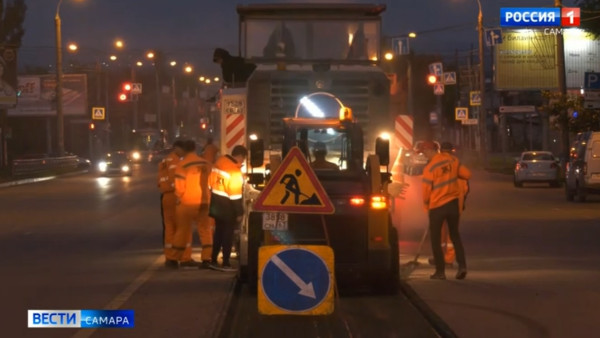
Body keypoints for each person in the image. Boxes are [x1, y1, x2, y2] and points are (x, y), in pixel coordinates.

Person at [421, 141, 471, 280]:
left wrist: (426, 206)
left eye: (424, 152)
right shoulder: (454, 160)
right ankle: (462, 266)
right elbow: (467, 174)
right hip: (453, 204)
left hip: (437, 206)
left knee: (436, 239)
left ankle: (440, 272)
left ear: (431, 151)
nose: (424, 155)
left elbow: (426, 190)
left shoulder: (430, 168)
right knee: (455, 235)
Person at [170, 140, 213, 269]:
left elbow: (180, 187)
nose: (175, 151)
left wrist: (178, 198)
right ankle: (206, 258)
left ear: (183, 149)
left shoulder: (182, 165)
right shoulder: (205, 163)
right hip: (204, 201)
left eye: (176, 149)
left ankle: (176, 258)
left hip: (187, 202)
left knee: (183, 230)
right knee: (205, 229)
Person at [209, 145, 248, 272]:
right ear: (240, 156)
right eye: (243, 159)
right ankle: (225, 263)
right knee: (227, 235)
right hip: (228, 207)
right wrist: (239, 212)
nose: (242, 162)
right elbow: (235, 195)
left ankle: (213, 260)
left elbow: (210, 183)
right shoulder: (234, 171)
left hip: (216, 203)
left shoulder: (219, 162)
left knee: (218, 233)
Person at [157, 140, 185, 269]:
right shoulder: (174, 161)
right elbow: (175, 180)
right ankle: (176, 256)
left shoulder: (165, 160)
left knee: (169, 227)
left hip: (165, 196)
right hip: (174, 196)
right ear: (177, 148)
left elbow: (160, 180)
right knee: (177, 227)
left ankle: (170, 257)